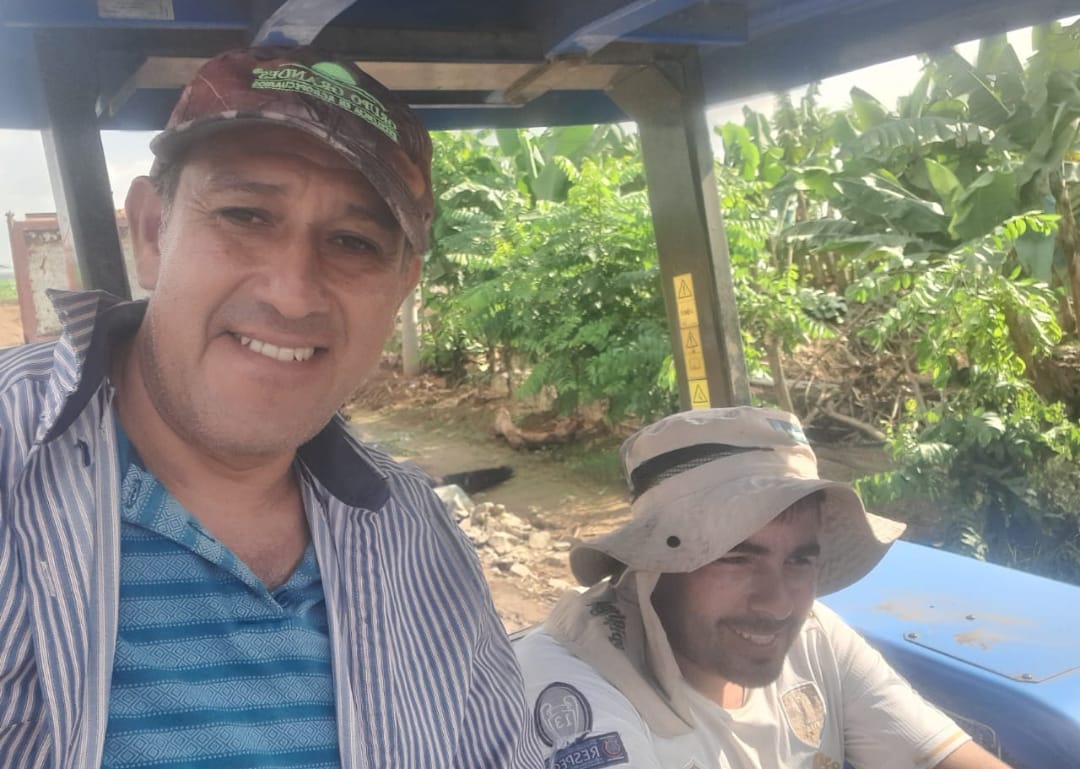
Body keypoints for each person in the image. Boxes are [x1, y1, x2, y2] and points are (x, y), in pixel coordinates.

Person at [0, 46, 543, 768]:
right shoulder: (14, 460)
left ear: (402, 285)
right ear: (154, 231)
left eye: (353, 242)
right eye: (246, 214)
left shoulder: (418, 539)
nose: (292, 293)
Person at [515, 406, 1012, 769]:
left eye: (799, 559)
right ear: (653, 563)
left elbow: (936, 755)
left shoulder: (816, 637)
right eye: (735, 557)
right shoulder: (572, 690)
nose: (778, 604)